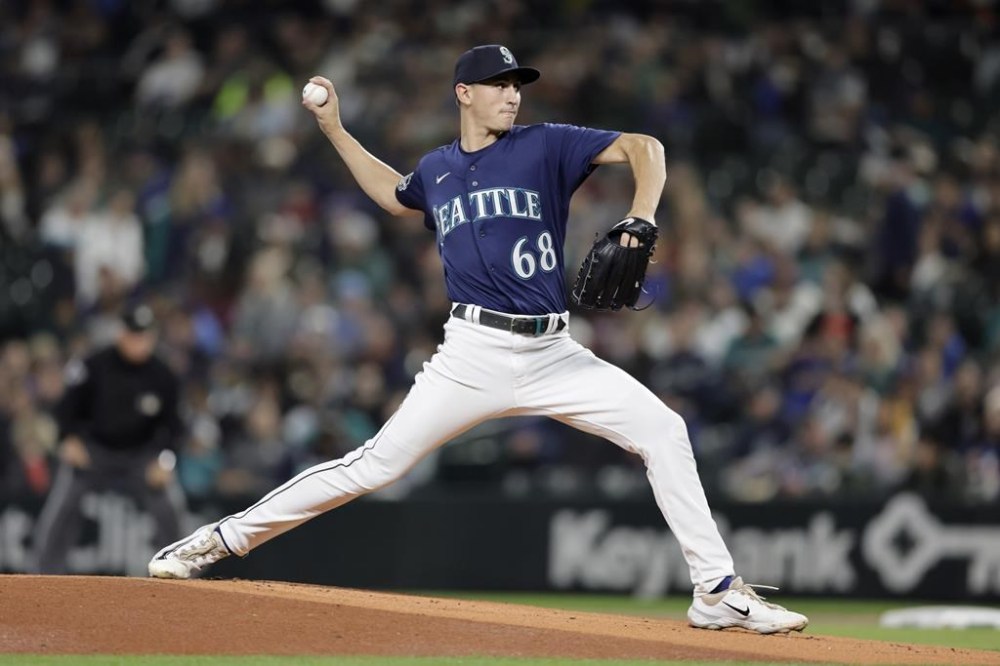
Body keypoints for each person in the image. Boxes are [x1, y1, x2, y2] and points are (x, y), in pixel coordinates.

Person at [149, 45, 808, 634]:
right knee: (375, 464)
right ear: (464, 93)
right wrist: (335, 130)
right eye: (497, 83)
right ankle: (217, 540)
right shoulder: (438, 169)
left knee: (664, 431)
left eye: (516, 83)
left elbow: (647, 148)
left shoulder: (545, 144)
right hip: (472, 353)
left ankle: (716, 592)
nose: (512, 93)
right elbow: (394, 194)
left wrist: (642, 212)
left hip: (555, 352)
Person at [34, 303, 184, 573]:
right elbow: (66, 409)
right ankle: (45, 571)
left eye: (144, 335)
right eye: (133, 334)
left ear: (153, 336)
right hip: (96, 451)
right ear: (121, 333)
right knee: (64, 501)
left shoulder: (164, 374)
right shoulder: (93, 364)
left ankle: (181, 567)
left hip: (141, 454)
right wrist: (67, 439)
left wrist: (166, 461)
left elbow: (174, 428)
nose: (138, 341)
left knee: (169, 507)